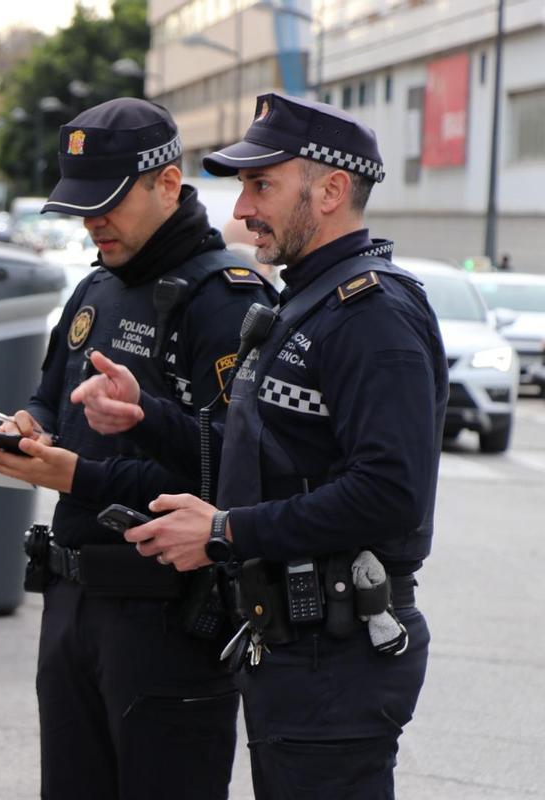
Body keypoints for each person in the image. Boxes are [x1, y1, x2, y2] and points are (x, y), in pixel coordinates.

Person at [71, 93, 447, 799]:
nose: (242, 209)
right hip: (296, 646)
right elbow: (258, 459)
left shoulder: (372, 315)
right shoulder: (308, 299)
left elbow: (388, 494)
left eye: (261, 185)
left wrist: (224, 532)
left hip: (338, 654)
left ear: (331, 191)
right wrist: (145, 415)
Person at [0, 97, 276, 799]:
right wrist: (29, 428)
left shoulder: (228, 300)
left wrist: (79, 477)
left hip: (165, 616)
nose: (92, 222)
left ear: (168, 184)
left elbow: (231, 472)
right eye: (81, 205)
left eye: (107, 202)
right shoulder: (95, 286)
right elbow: (49, 397)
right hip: (70, 602)